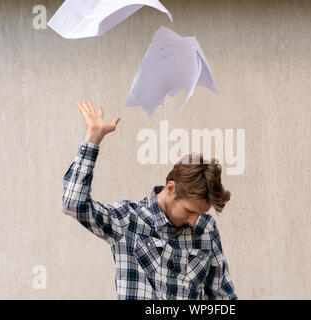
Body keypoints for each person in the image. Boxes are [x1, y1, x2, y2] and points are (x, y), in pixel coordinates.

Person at [62, 100, 237, 300]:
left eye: (200, 213)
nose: (194, 220)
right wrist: (92, 140)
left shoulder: (207, 228)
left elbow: (224, 298)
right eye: (189, 211)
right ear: (171, 188)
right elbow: (73, 204)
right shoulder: (127, 220)